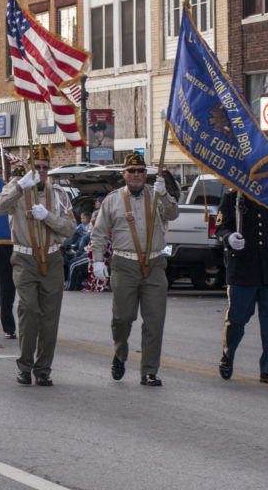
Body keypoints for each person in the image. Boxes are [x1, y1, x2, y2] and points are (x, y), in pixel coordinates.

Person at [90, 152, 179, 387]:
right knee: (123, 318)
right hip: (124, 264)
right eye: (132, 171)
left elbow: (173, 214)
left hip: (155, 263)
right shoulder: (113, 199)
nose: (137, 175)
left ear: (146, 174)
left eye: (141, 171)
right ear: (124, 174)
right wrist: (97, 260)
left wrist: (164, 195)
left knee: (155, 320)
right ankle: (120, 353)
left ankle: (149, 371)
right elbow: (99, 233)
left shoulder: (157, 195)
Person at [0, 148, 76, 386]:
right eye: (36, 167)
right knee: (29, 310)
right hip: (24, 258)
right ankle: (24, 366)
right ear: (29, 167)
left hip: (51, 257)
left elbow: (70, 228)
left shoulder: (58, 193)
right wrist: (19, 187)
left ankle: (43, 369)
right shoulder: (17, 188)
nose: (40, 172)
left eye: (44, 168)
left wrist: (48, 216)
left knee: (50, 317)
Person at [215, 189, 268, 385]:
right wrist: (229, 237)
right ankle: (228, 354)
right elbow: (220, 228)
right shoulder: (233, 198)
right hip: (243, 270)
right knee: (236, 319)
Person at [0, 164, 25, 340]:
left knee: (26, 290)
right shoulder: (4, 194)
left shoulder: (29, 196)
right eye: (15, 179)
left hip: (22, 244)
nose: (17, 182)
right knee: (5, 291)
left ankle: (27, 325)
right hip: (4, 245)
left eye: (20, 180)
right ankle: (9, 327)